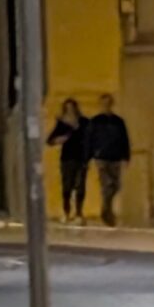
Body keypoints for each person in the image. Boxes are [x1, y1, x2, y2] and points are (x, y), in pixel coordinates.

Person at [85, 93, 133, 226]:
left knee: (116, 185)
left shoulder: (118, 121)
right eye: (103, 103)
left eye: (108, 103)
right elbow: (89, 140)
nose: (106, 106)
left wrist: (126, 156)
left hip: (116, 157)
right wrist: (88, 157)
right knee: (106, 184)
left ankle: (106, 207)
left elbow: (124, 139)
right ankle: (108, 214)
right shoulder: (95, 121)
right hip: (101, 157)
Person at [49, 98, 91, 223]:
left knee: (80, 186)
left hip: (81, 158)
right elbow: (50, 140)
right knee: (67, 186)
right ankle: (66, 212)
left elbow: (90, 137)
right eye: (67, 108)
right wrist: (59, 139)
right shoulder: (61, 124)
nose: (70, 111)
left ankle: (79, 213)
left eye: (72, 108)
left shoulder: (84, 122)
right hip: (67, 158)